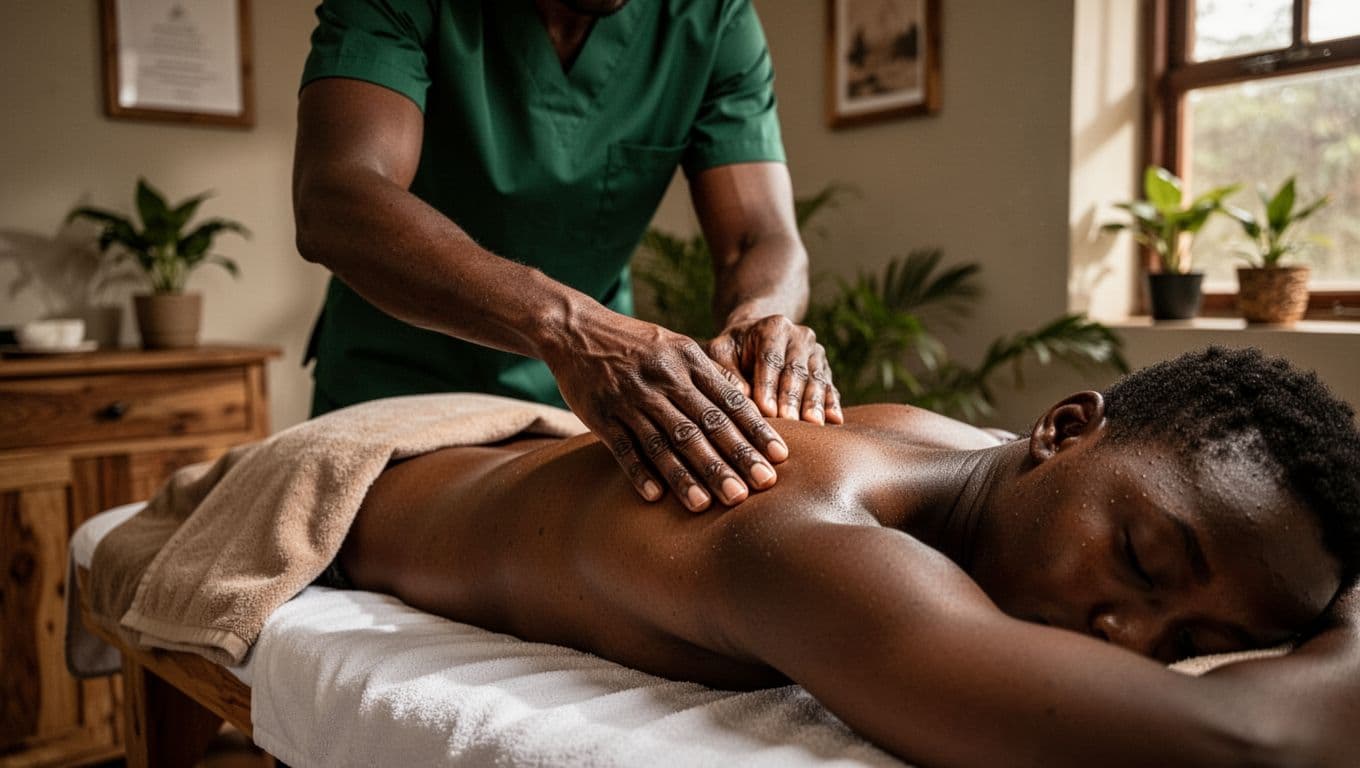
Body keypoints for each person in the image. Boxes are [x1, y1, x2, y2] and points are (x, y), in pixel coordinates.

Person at [336, 347, 1360, 766]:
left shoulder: (978, 462)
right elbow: (1250, 744)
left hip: (513, 447)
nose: (1126, 639)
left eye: (1193, 643)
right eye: (1138, 560)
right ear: (1059, 429)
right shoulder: (811, 537)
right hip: (360, 477)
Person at [292, 0, 839, 513]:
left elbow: (759, 238)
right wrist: (570, 330)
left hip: (580, 412)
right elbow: (335, 197)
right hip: (394, 388)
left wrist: (760, 317)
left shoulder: (710, 16)